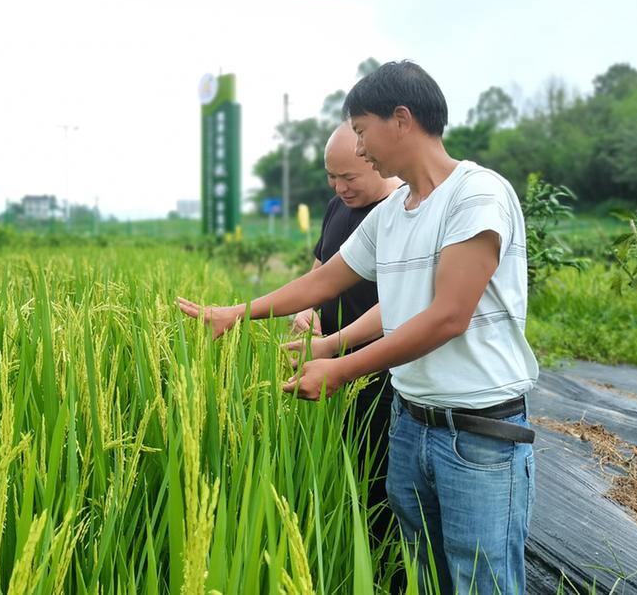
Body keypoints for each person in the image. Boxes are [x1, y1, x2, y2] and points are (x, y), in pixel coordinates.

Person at [178, 60, 538, 594]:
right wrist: (239, 311)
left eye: (364, 132)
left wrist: (339, 369)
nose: (362, 149)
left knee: (481, 582)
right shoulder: (393, 212)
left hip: (477, 435)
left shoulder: (475, 195)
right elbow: (326, 280)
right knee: (424, 576)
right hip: (410, 424)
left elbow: (448, 316)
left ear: (401, 119)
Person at [289, 122, 403, 550]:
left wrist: (331, 348)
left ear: (374, 160)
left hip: (381, 374)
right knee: (344, 465)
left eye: (348, 177)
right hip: (330, 369)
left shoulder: (399, 213)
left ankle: (380, 559)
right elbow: (322, 270)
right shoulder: (339, 208)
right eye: (331, 177)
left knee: (379, 480)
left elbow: (398, 302)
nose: (339, 187)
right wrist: (306, 309)